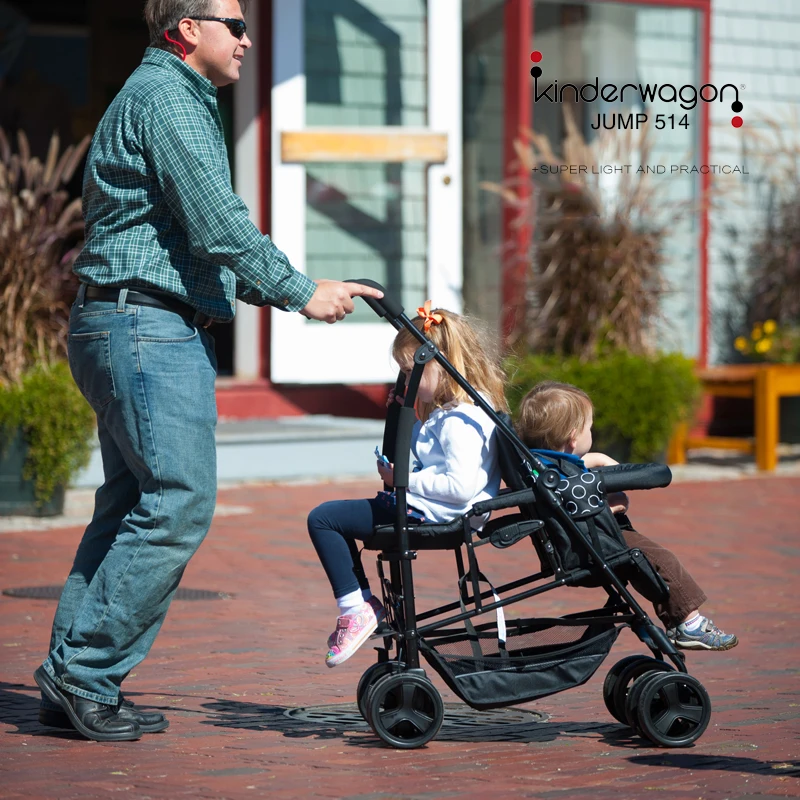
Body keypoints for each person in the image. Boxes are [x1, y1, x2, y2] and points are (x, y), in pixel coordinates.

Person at [34, 0, 383, 743]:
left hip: (128, 320)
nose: (250, 41)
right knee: (178, 503)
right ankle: (82, 675)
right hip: (145, 328)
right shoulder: (168, 96)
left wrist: (297, 288)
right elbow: (218, 223)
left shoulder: (169, 95)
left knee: (133, 505)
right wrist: (301, 292)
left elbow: (201, 239)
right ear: (186, 27)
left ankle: (79, 678)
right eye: (236, 25)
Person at [307, 304, 508, 668]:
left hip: (435, 513)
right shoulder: (458, 410)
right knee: (334, 517)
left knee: (324, 519)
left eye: (410, 373)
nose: (407, 381)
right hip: (431, 508)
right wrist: (403, 411)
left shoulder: (458, 422)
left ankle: (358, 608)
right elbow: (430, 454)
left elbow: (459, 486)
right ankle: (362, 604)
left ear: (440, 364)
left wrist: (402, 480)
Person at [515, 381, 738, 652]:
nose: (591, 432)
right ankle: (688, 623)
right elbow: (576, 510)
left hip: (577, 543)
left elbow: (571, 476)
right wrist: (613, 506)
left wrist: (596, 458)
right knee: (660, 560)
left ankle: (682, 623)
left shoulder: (544, 466)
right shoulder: (558, 473)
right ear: (574, 437)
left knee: (645, 560)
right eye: (590, 428)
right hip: (594, 544)